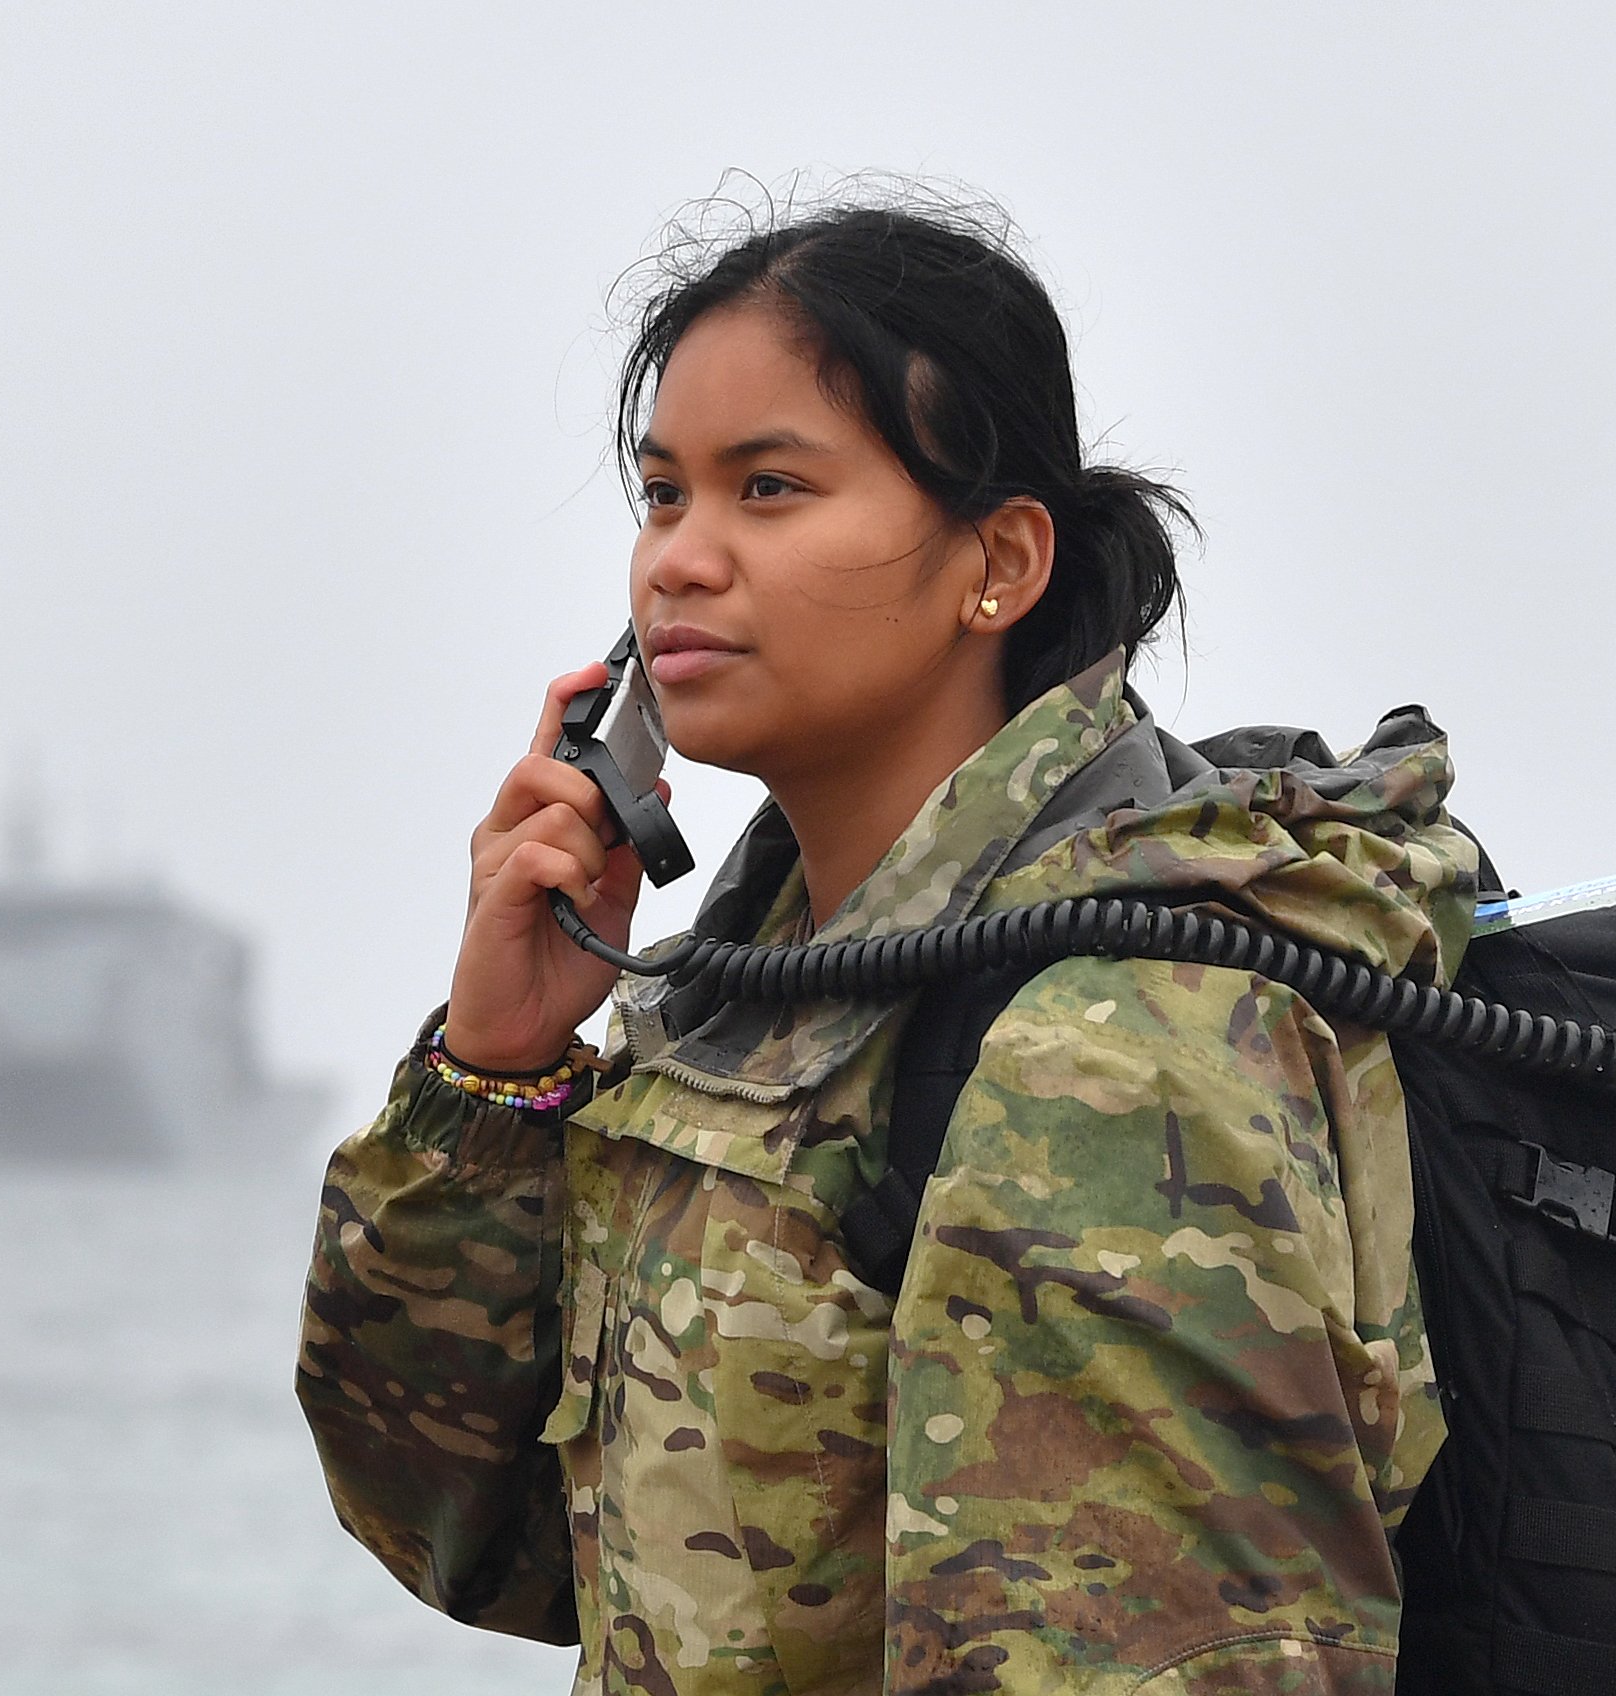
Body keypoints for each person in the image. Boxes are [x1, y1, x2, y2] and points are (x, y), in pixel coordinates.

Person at [296, 196, 1480, 1695]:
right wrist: (500, 1072)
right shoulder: (755, 987)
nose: (678, 562)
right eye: (663, 495)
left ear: (999, 560)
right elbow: (501, 1544)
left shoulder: (1103, 1046)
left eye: (771, 488)